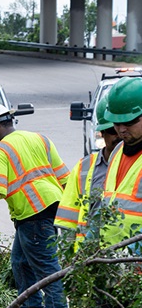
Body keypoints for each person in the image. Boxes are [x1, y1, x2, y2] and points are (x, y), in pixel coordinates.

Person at [0, 104, 70, 308]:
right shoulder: (39, 139)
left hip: (34, 212)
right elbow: (64, 176)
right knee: (21, 262)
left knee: (45, 264)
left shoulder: (0, 151)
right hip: (50, 206)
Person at [95, 77, 142, 308]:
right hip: (112, 266)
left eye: (130, 122)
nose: (122, 130)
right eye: (117, 123)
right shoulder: (116, 153)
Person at [55, 97, 123, 249]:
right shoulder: (84, 168)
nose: (119, 135)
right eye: (113, 131)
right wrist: (68, 256)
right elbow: (68, 218)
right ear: (102, 133)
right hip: (89, 256)